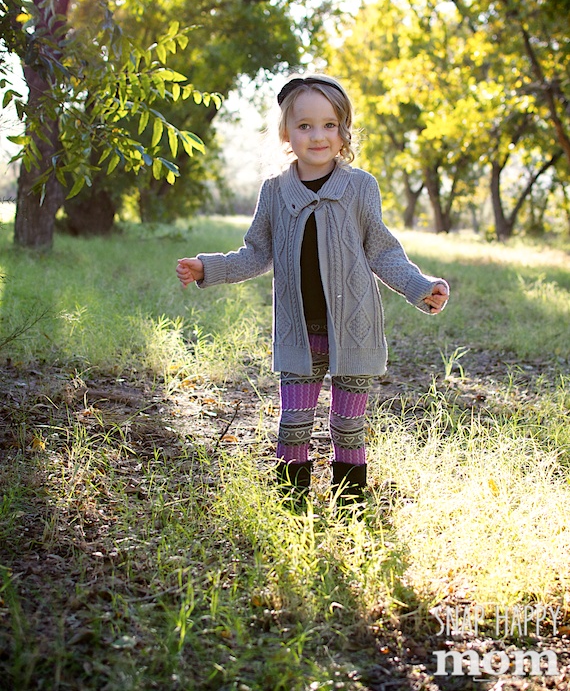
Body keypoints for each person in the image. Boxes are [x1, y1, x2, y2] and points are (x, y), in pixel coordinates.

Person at [176, 74, 449, 513]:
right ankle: (291, 505)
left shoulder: (361, 188)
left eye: (329, 124)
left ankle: (352, 506)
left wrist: (422, 288)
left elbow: (383, 252)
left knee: (348, 425)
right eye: (304, 126)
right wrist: (210, 267)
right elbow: (256, 253)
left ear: (344, 131)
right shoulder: (275, 191)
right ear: (286, 132)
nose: (317, 135)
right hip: (299, 332)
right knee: (294, 422)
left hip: (354, 331)